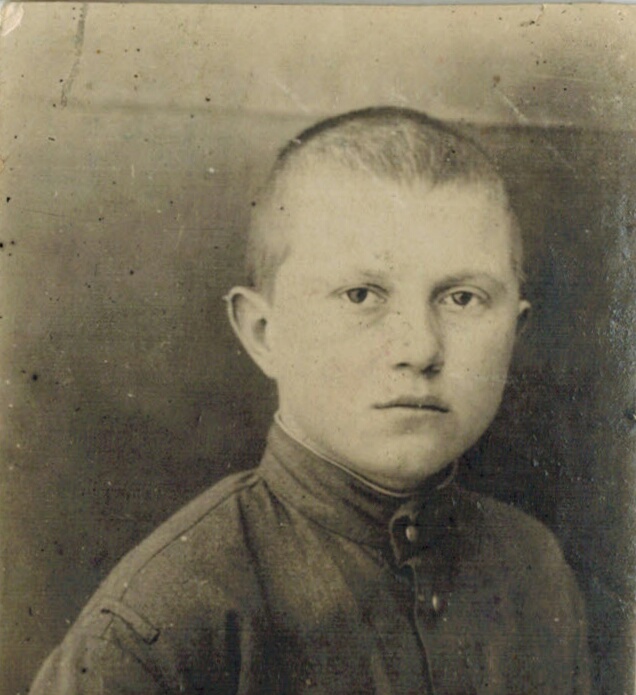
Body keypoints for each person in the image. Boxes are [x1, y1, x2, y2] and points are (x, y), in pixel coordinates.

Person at [31, 107, 590, 694]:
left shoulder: (534, 570)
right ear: (264, 334)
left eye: (462, 298)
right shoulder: (158, 629)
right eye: (361, 295)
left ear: (515, 331)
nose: (420, 349)